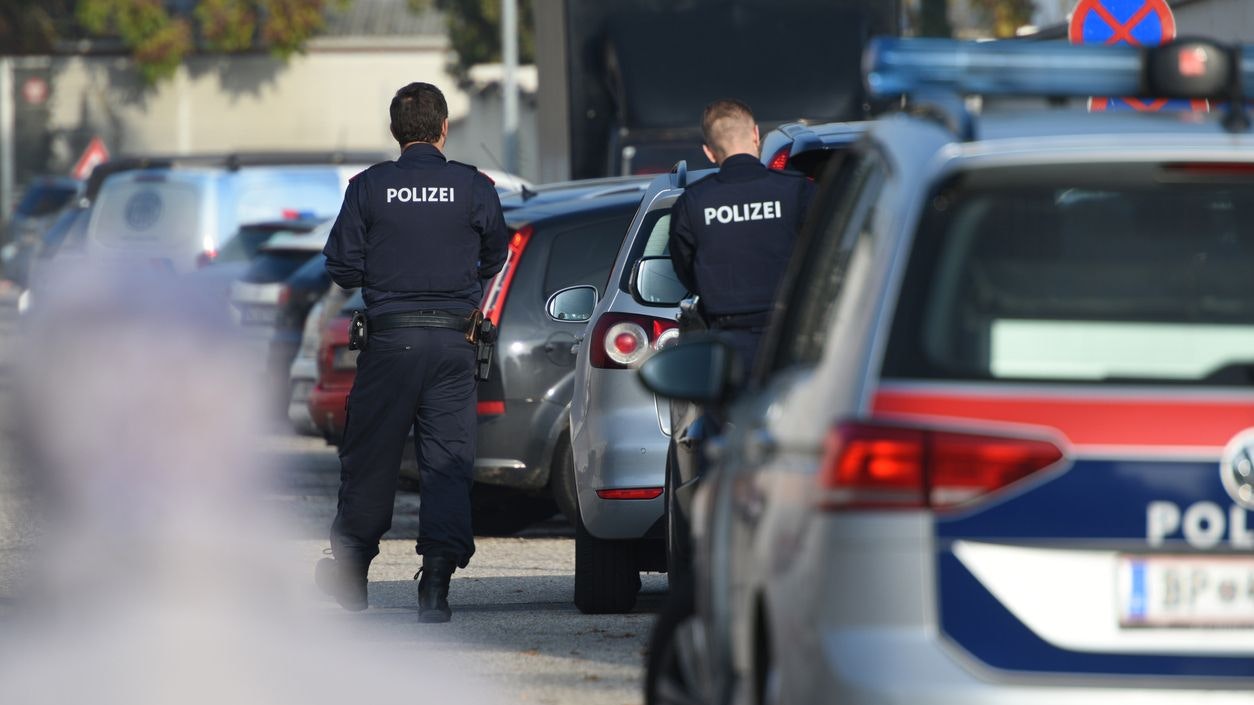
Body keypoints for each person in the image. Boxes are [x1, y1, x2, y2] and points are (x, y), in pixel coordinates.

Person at [315, 82, 508, 623]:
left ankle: (352, 574)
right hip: (454, 344)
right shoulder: (473, 186)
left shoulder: (369, 187)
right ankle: (436, 587)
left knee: (371, 459)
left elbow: (341, 267)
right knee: (447, 463)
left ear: (395, 132)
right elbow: (495, 252)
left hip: (390, 342)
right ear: (444, 128)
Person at [667, 99, 815, 368]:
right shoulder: (797, 191)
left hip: (728, 344)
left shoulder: (693, 202)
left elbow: (685, 269)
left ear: (709, 152)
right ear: (756, 135)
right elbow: (826, 251)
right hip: (793, 337)